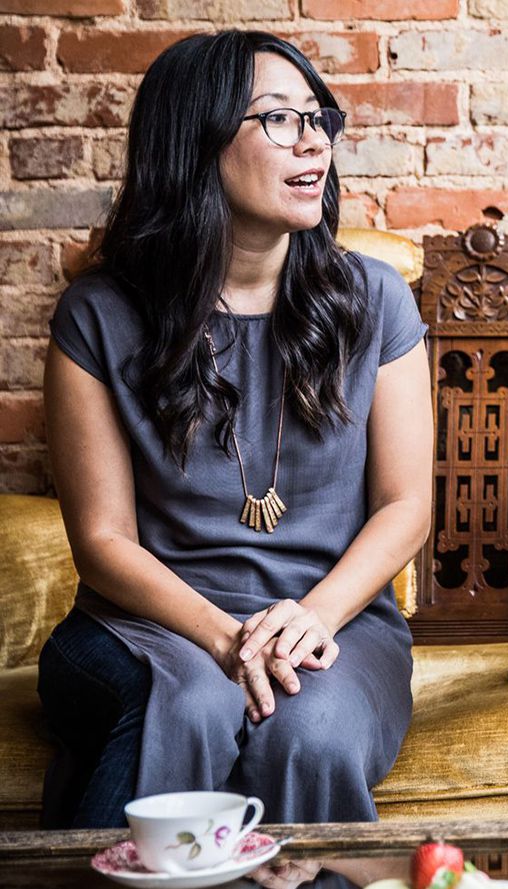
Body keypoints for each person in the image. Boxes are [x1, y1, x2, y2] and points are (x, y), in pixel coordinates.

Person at [37, 31, 432, 828]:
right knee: (187, 706)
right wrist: (226, 639)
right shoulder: (100, 316)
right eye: (279, 119)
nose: (314, 138)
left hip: (335, 623)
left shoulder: (377, 301)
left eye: (317, 116)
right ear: (196, 141)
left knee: (312, 737)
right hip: (147, 626)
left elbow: (405, 504)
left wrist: (313, 616)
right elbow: (103, 540)